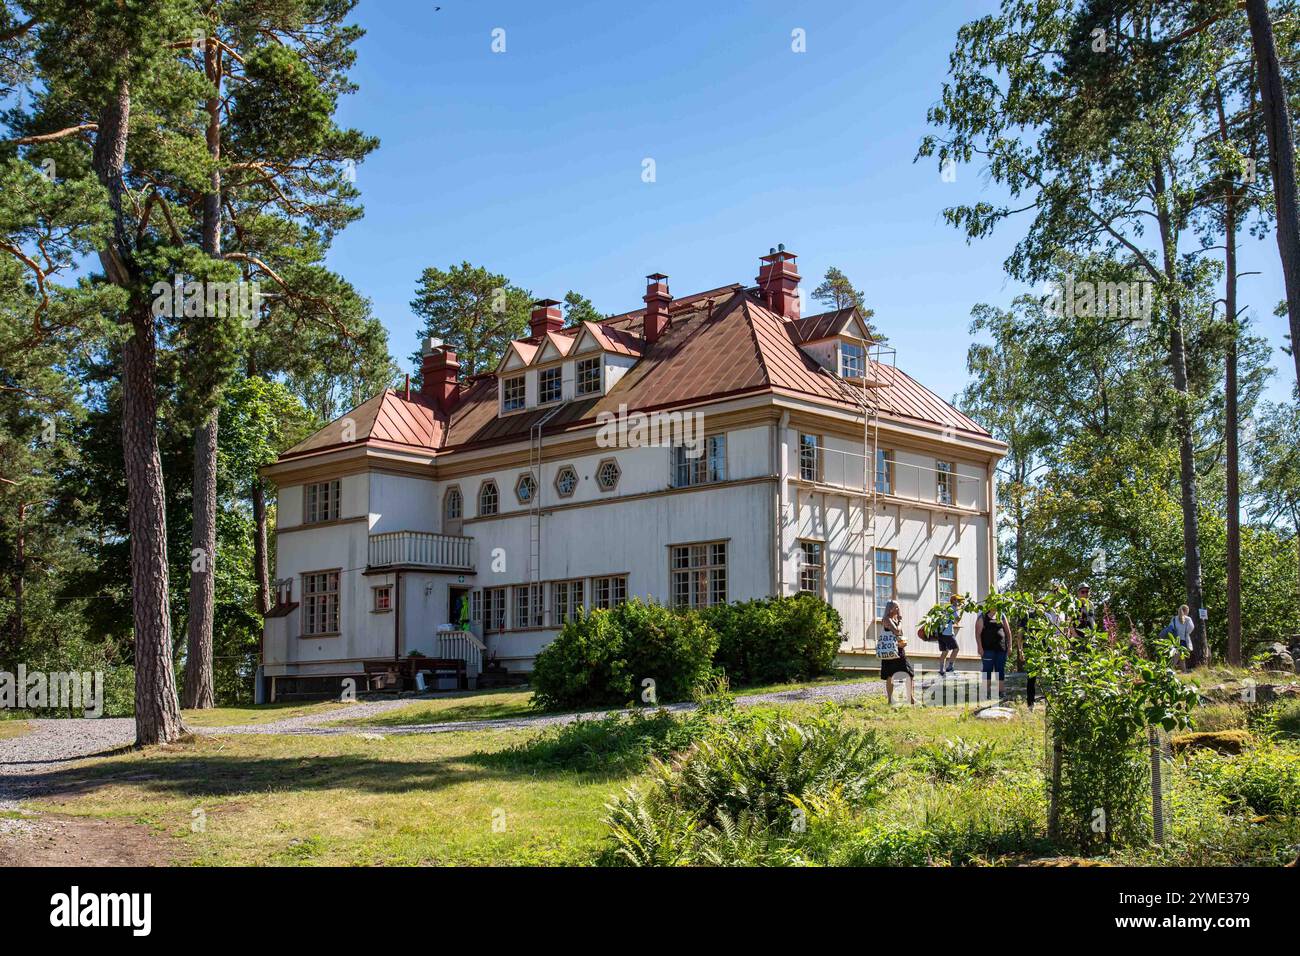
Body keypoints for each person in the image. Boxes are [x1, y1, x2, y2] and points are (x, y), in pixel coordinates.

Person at [877, 600, 916, 706]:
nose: (898, 610)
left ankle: (911, 698)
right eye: (896, 608)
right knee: (890, 675)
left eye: (898, 607)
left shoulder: (893, 619)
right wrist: (900, 621)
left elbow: (900, 634)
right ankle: (890, 700)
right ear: (890, 609)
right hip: (890, 651)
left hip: (898, 650)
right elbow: (897, 631)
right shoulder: (887, 619)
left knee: (909, 673)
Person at [975, 605, 1011, 694]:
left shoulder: (1001, 615)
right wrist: (979, 647)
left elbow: (1008, 632)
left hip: (1001, 649)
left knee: (1000, 669)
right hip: (987, 649)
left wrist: (1009, 646)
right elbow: (977, 634)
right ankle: (985, 691)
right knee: (987, 669)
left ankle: (1001, 691)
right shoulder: (982, 616)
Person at [1161, 605, 1195, 672]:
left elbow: (1170, 628)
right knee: (1177, 656)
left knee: (1181, 657)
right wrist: (1186, 632)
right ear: (1186, 611)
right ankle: (1169, 670)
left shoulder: (1174, 618)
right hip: (1183, 640)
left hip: (1175, 640)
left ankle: (1184, 671)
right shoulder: (1188, 619)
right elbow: (1191, 628)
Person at [937, 593, 963, 674]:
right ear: (954, 601)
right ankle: (950, 667)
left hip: (941, 633)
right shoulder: (952, 608)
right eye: (958, 601)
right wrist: (962, 611)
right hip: (948, 633)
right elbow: (957, 620)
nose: (959, 603)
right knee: (956, 649)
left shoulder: (947, 608)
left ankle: (941, 670)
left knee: (945, 651)